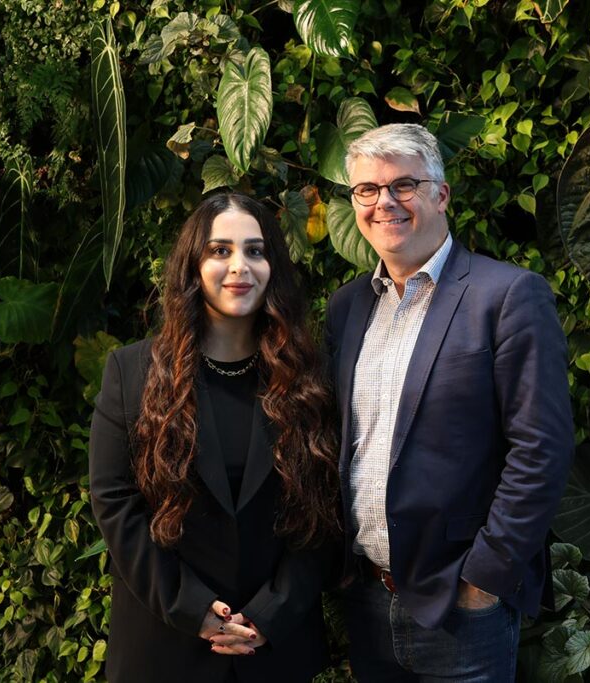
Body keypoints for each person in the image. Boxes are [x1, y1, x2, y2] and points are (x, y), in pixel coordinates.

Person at [325, 123, 575, 681]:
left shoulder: (506, 295)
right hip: (366, 597)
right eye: (367, 190)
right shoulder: (347, 308)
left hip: (462, 608)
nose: (383, 202)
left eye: (403, 185)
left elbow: (542, 450)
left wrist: (483, 579)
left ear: (441, 195)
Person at [89, 192, 339, 682]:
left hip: (272, 652)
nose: (239, 267)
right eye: (220, 250)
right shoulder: (132, 371)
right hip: (165, 647)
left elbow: (326, 507)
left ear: (274, 267)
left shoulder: (310, 378)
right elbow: (115, 502)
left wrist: (272, 612)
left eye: (256, 250)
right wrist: (193, 609)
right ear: (193, 265)